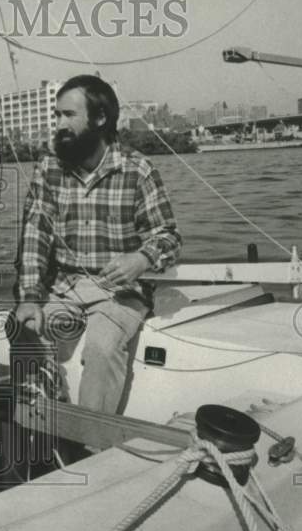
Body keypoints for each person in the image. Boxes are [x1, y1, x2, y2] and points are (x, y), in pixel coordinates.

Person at [12, 74, 181, 419]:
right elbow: (35, 234)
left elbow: (169, 237)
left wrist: (141, 257)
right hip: (65, 287)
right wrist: (30, 297)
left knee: (102, 349)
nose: (59, 124)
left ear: (100, 119)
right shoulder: (49, 168)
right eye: (57, 115)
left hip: (121, 292)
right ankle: (44, 427)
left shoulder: (138, 170)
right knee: (24, 328)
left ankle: (89, 447)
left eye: (69, 115)